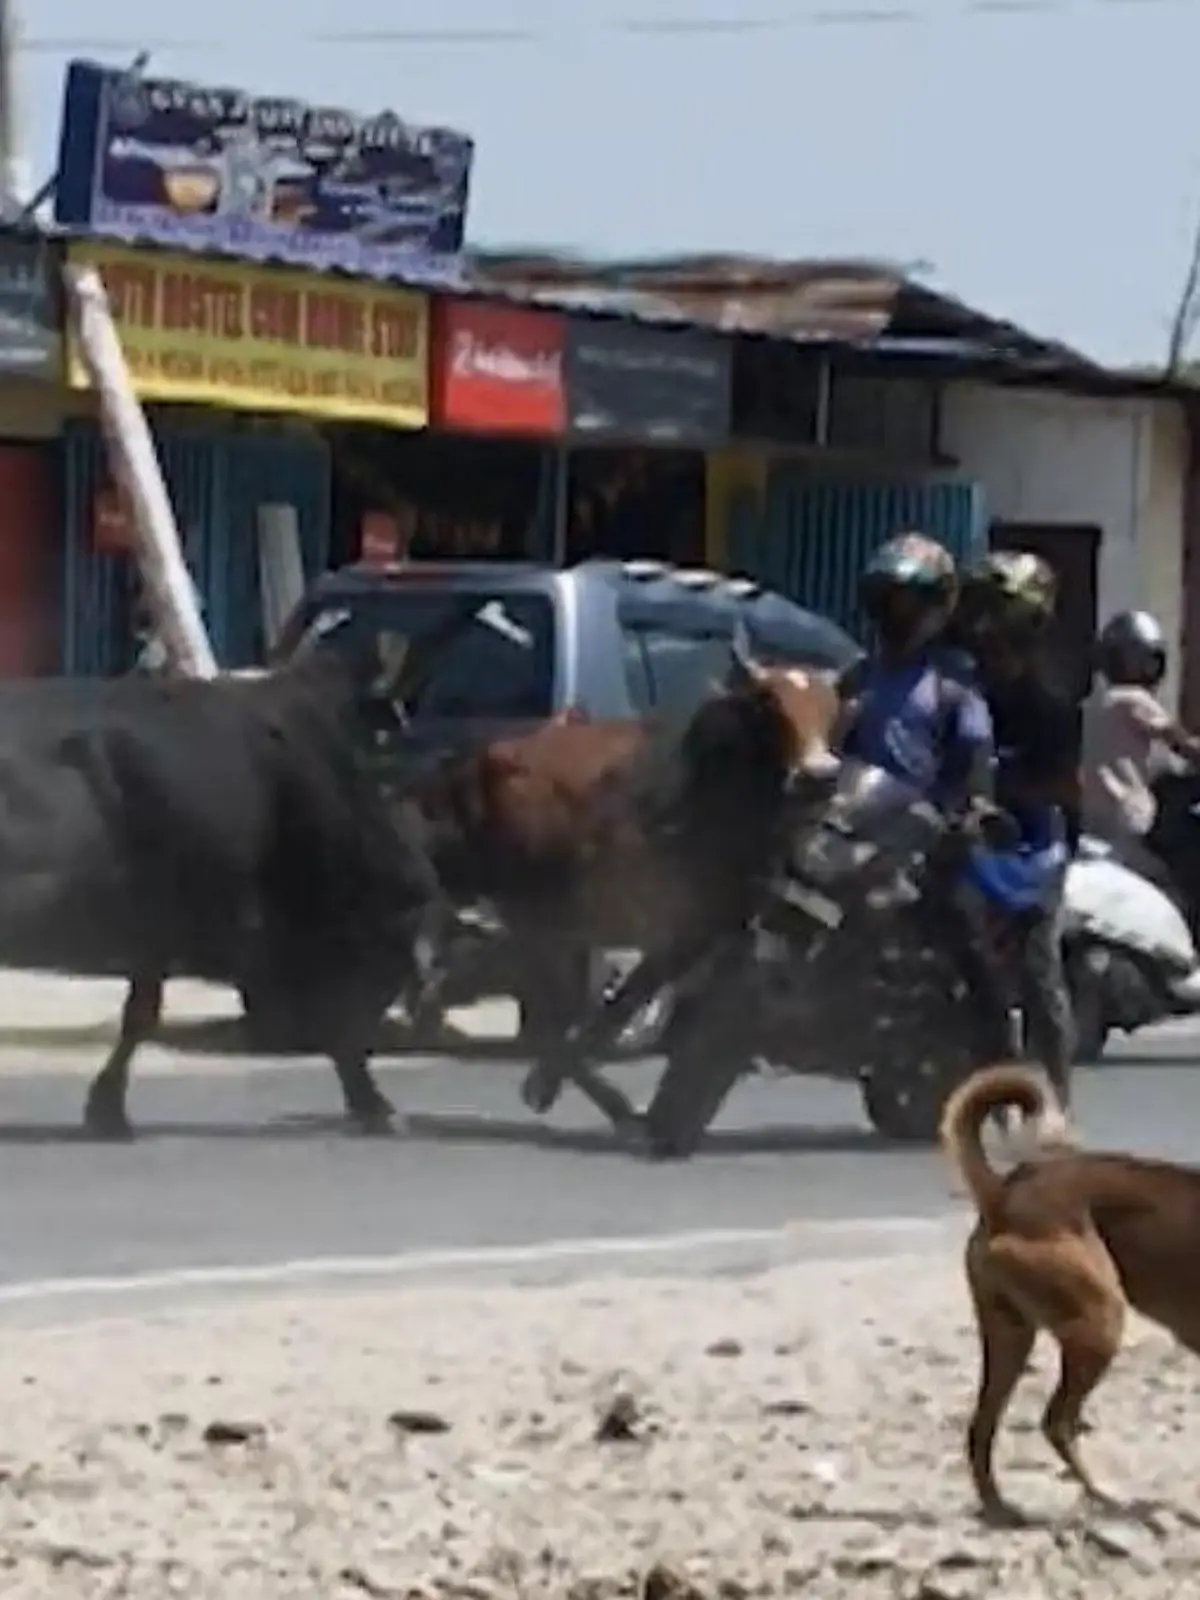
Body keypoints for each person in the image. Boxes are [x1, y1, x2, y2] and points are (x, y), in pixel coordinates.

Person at [951, 549, 1080, 1099]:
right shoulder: (958, 688)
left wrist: (999, 789)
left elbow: (1059, 788)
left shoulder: (1049, 703)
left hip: (1028, 851)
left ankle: (1056, 1097)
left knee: (1036, 975)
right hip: (964, 840)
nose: (986, 631)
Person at [837, 532, 996, 816]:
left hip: (921, 842)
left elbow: (974, 778)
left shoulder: (951, 686)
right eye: (891, 603)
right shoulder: (855, 677)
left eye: (912, 605)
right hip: (853, 833)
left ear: (938, 607)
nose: (900, 616)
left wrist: (964, 816)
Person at [1081, 610, 1200, 890]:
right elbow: (1180, 742)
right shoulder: (1133, 699)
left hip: (1093, 826)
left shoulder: (1094, 704)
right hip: (1133, 827)